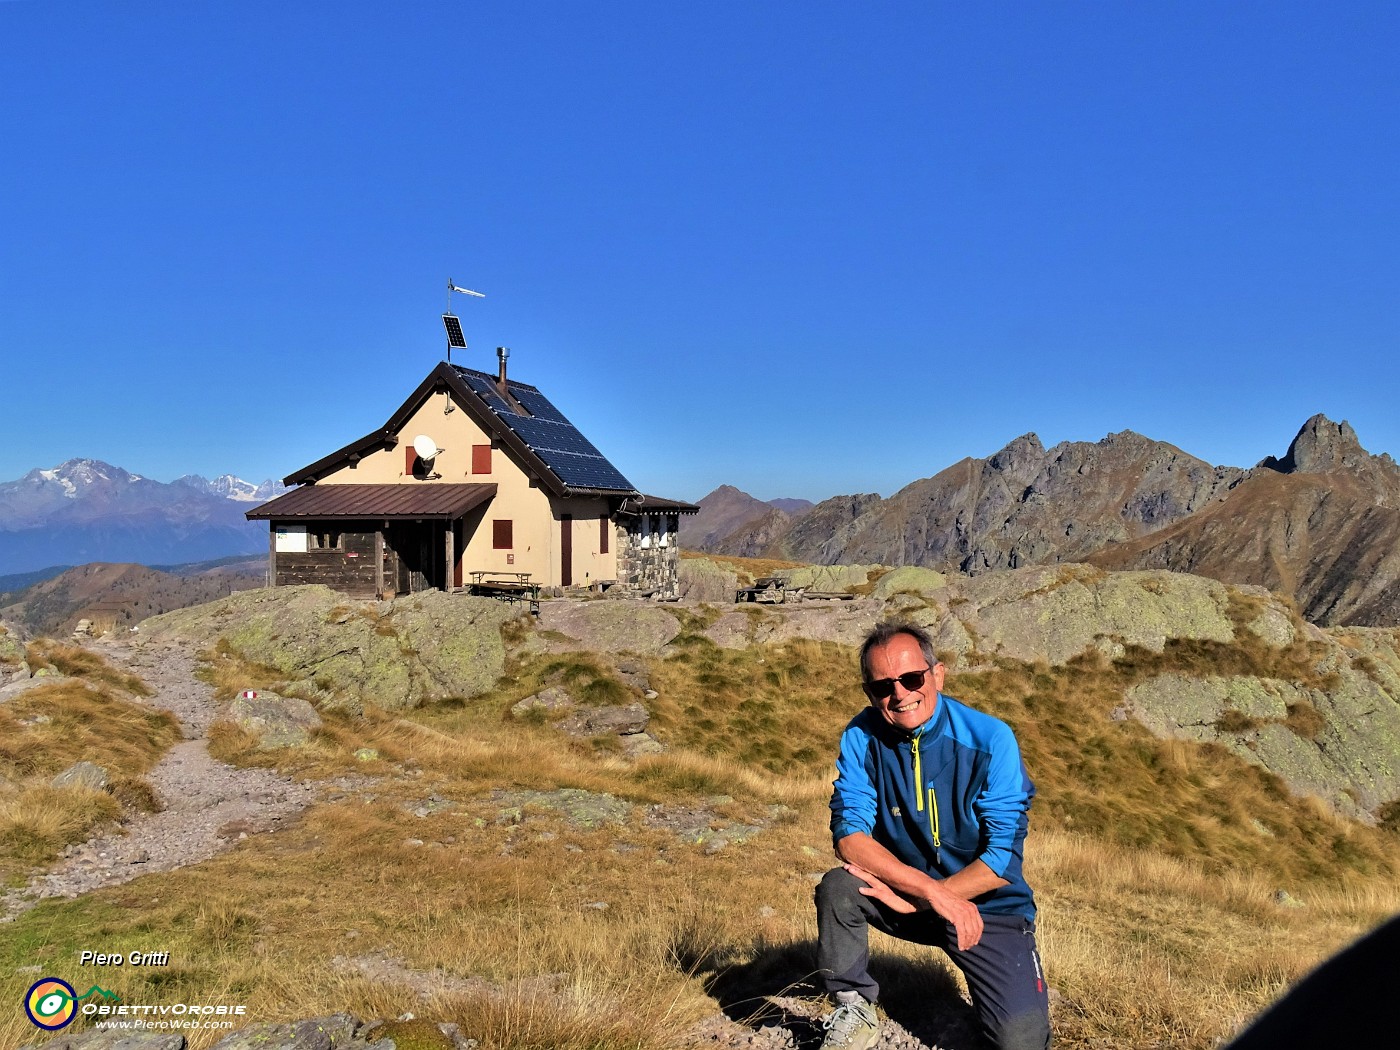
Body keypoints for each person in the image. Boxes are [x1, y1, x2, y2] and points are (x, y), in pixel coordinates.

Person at [815, 621, 1051, 1050]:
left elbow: (1000, 861)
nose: (900, 694)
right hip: (907, 896)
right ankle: (853, 1007)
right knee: (840, 887)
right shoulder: (860, 736)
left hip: (987, 909)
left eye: (911, 678)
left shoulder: (991, 739)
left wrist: (929, 897)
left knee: (1021, 1041)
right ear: (869, 692)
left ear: (937, 674)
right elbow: (850, 837)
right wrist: (928, 894)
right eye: (882, 686)